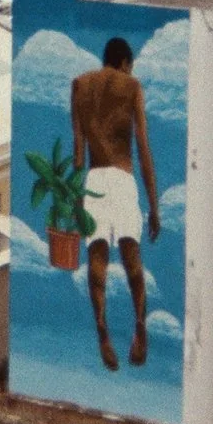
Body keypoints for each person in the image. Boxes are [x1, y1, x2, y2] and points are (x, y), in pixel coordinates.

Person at [69, 35, 160, 371]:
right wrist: (153, 204)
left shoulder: (80, 86)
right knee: (132, 260)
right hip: (122, 179)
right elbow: (143, 148)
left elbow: (78, 155)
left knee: (97, 264)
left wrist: (74, 200)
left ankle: (103, 334)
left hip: (93, 181)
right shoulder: (132, 87)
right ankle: (140, 328)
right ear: (124, 63)